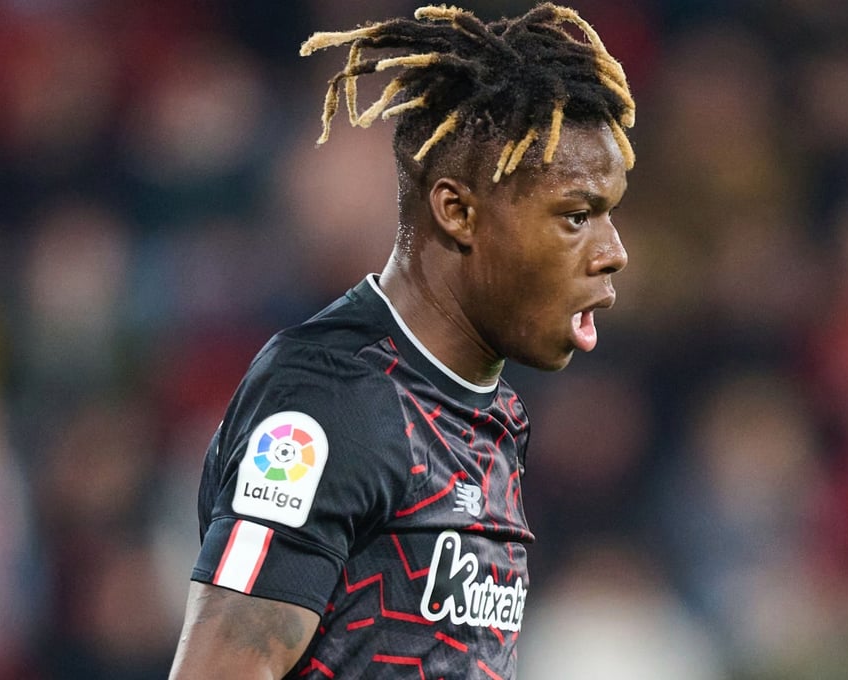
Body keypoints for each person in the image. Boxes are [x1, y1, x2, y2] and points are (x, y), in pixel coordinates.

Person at [168, 4, 635, 678]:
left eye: (609, 215)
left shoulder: (492, 415)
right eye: (576, 215)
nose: (613, 251)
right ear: (458, 211)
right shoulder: (332, 398)